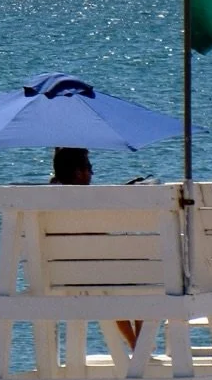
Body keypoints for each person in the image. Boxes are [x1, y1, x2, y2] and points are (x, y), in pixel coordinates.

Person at [49, 146, 142, 351]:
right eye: (89, 167)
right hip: (95, 273)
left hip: (57, 275)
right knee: (140, 273)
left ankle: (137, 345)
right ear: (77, 171)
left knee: (119, 284)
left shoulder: (45, 199)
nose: (91, 173)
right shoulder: (89, 201)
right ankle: (139, 345)